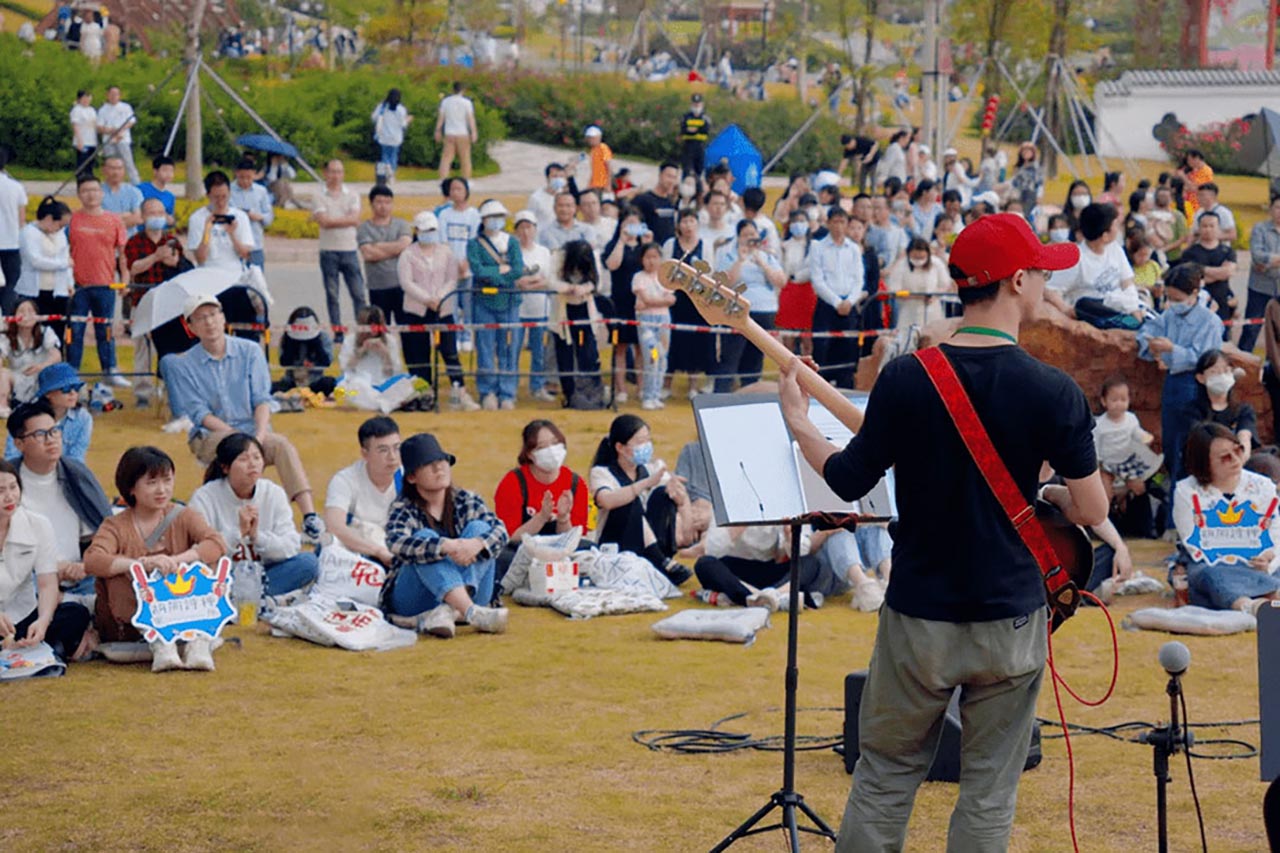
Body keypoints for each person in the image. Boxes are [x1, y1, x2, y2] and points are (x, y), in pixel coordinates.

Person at [780, 212, 1107, 851]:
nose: (1046, 283)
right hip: (1010, 617)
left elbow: (849, 479)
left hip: (919, 615)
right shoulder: (1053, 390)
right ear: (1017, 282)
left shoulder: (908, 375)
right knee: (989, 793)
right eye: (1041, 271)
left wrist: (799, 423)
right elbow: (1091, 510)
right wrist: (1049, 492)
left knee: (884, 779)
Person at [163, 294, 325, 542]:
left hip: (253, 430)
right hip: (212, 435)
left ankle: (310, 516)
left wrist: (258, 436)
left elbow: (262, 399)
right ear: (191, 327)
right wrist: (239, 439)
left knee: (280, 445)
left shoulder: (249, 351)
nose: (209, 322)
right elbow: (200, 414)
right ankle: (222, 520)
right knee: (235, 452)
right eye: (201, 318)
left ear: (223, 317)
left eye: (213, 314)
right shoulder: (185, 364)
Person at [84, 446, 226, 670]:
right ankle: (160, 642)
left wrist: (180, 560)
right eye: (152, 483)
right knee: (120, 573)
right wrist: (139, 565)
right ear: (131, 488)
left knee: (209, 561)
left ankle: (198, 639)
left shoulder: (182, 515)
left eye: (167, 481)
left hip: (181, 606)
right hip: (130, 625)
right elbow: (93, 560)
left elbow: (216, 543)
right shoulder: (116, 525)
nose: (162, 490)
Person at [383, 433, 509, 637]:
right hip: (417, 598)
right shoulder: (402, 508)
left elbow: (501, 531)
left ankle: (448, 612)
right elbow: (395, 542)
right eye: (428, 463)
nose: (438, 467)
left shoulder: (466, 499)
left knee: (479, 529)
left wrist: (475, 544)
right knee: (424, 539)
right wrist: (444, 546)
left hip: (476, 591)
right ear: (412, 477)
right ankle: (470, 612)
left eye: (441, 461)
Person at [1136, 263, 1224, 527]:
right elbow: (1147, 331)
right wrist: (1151, 347)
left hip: (1196, 388)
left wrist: (1174, 350)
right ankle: (1174, 520)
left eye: (1177, 299)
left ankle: (1193, 519)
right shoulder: (1170, 316)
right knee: (1174, 453)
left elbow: (1207, 359)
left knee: (1192, 454)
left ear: (1195, 293)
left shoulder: (1210, 322)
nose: (1172, 304)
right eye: (1169, 298)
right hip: (1173, 387)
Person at [189, 433, 319, 600]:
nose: (252, 465)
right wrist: (238, 532)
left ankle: (248, 598)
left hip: (264, 574)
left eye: (257, 458)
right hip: (224, 576)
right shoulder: (204, 497)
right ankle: (250, 598)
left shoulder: (273, 493)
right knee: (199, 577)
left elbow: (291, 545)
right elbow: (198, 553)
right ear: (225, 467)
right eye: (243, 460)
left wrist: (257, 537)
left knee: (308, 562)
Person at [1173, 423, 1280, 616]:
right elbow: (1195, 545)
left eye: (1238, 450)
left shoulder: (1263, 486)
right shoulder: (1186, 491)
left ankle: (1267, 598)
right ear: (1204, 463)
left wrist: (1268, 558)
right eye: (1224, 457)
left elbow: (1275, 531)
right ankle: (1250, 607)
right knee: (1209, 576)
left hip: (1259, 564)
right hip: (1215, 566)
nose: (1235, 460)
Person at [0, 460, 91, 662]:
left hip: (22, 612)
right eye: (0, 491)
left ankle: (35, 645)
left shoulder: (37, 524)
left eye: (13, 487)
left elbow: (47, 583)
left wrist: (43, 621)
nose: (9, 496)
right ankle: (48, 648)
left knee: (75, 614)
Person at [590, 414, 694, 585]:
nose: (645, 446)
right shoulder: (602, 473)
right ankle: (659, 560)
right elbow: (606, 500)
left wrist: (682, 501)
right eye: (639, 442)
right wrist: (644, 484)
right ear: (620, 447)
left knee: (663, 493)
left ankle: (660, 557)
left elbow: (676, 496)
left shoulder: (652, 468)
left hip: (650, 539)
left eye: (648, 440)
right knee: (630, 500)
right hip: (617, 544)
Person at [396, 211, 478, 411]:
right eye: (425, 230)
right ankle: (425, 392)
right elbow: (406, 282)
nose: (429, 234)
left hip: (443, 309)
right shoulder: (407, 254)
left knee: (450, 352)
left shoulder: (446, 252)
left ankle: (459, 392)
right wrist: (426, 298)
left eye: (432, 230)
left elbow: (452, 278)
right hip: (416, 310)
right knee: (419, 354)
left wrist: (440, 297)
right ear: (417, 231)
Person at [492, 419, 589, 580]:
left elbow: (576, 537)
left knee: (589, 550)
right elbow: (510, 536)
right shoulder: (513, 482)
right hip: (523, 548)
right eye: (542, 447)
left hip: (561, 548)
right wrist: (542, 517)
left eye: (555, 443)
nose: (551, 451)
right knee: (502, 558)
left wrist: (564, 518)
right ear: (530, 454)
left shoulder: (575, 483)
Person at [66, 174, 129, 386]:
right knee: (75, 330)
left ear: (101, 193)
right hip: (78, 286)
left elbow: (123, 253)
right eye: (85, 191)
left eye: (94, 190)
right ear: (79, 195)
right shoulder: (72, 220)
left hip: (105, 285)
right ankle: (72, 370)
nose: (91, 194)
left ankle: (110, 369)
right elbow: (62, 250)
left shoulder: (114, 220)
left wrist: (125, 278)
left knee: (106, 330)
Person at [124, 198, 184, 407]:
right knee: (142, 347)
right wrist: (155, 257)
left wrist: (175, 262)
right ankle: (142, 392)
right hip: (142, 300)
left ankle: (170, 388)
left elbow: (183, 268)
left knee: (170, 346)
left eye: (160, 212)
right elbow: (133, 268)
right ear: (142, 216)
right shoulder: (134, 242)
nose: (156, 217)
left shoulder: (172, 241)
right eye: (151, 212)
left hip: (170, 304)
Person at [713, 220, 785, 391]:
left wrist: (762, 263)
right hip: (737, 311)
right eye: (746, 235)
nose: (750, 239)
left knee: (754, 357)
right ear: (738, 238)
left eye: (753, 235)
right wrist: (740, 260)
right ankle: (721, 394)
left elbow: (780, 281)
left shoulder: (766, 256)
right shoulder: (728, 255)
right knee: (730, 356)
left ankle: (751, 392)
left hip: (764, 311)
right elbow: (724, 283)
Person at [1046, 202, 1141, 329]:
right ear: (1105, 236)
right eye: (1115, 226)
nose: (1118, 229)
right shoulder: (1076, 259)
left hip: (1119, 306)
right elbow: (1050, 290)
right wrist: (1068, 311)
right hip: (1095, 313)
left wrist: (1134, 307)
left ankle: (1131, 323)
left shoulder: (1115, 249)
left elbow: (1127, 282)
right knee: (1085, 305)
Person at [467, 200, 524, 410]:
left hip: (509, 302)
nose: (496, 221)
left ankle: (508, 392)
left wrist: (499, 277)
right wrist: (500, 273)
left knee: (509, 347)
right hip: (483, 301)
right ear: (483, 220)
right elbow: (478, 270)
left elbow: (518, 269)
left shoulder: (512, 242)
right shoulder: (474, 244)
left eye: (500, 217)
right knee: (484, 347)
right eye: (492, 217)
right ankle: (487, 391)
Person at [809, 206, 865, 389]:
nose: (839, 226)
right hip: (827, 306)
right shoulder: (818, 247)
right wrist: (836, 302)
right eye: (835, 222)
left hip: (849, 306)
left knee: (848, 351)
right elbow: (817, 280)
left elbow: (859, 280)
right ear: (828, 223)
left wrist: (850, 301)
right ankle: (820, 390)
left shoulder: (854, 249)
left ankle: (846, 391)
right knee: (823, 350)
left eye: (843, 222)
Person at [312, 160, 366, 337]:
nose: (336, 176)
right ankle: (338, 332)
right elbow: (323, 221)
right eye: (332, 172)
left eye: (339, 172)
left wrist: (332, 221)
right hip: (328, 251)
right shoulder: (318, 195)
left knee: (358, 293)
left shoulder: (352, 194)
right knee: (332, 295)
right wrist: (346, 220)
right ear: (325, 173)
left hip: (349, 249)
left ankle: (362, 330)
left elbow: (355, 219)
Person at [663, 208, 715, 391]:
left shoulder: (705, 245)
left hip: (697, 302)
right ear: (678, 225)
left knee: (696, 343)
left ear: (698, 224)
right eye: (684, 221)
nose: (688, 226)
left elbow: (709, 275)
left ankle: (693, 386)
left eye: (692, 221)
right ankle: (666, 385)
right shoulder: (671, 244)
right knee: (672, 343)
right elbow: (664, 272)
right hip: (675, 301)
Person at [548, 240, 605, 406]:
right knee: (565, 355)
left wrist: (586, 287)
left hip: (585, 313)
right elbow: (551, 281)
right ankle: (570, 394)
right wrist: (568, 288)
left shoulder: (592, 256)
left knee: (588, 354)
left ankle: (593, 393)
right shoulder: (559, 256)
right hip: (563, 315)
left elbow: (597, 282)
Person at [1093, 373, 1161, 508]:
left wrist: (1145, 437)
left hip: (1127, 462)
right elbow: (1094, 446)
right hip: (1106, 465)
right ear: (1104, 401)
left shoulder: (1131, 419)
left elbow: (1136, 432)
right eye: (1114, 400)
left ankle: (1140, 516)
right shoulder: (1100, 425)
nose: (1119, 404)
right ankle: (1108, 515)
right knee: (1104, 493)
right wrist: (1098, 465)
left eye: (1123, 399)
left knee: (1139, 487)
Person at [335, 305, 418, 413]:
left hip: (383, 385)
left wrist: (385, 353)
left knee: (413, 382)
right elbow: (345, 369)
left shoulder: (390, 340)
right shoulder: (350, 340)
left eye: (376, 325)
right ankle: (386, 404)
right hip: (359, 384)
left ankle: (383, 403)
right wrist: (361, 351)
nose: (373, 329)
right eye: (370, 325)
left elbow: (395, 372)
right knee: (342, 386)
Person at [511, 210, 556, 403]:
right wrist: (530, 281)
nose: (526, 232)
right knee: (513, 349)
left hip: (540, 308)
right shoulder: (511, 252)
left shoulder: (543, 252)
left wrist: (530, 283)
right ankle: (510, 387)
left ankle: (537, 386)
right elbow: (513, 279)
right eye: (521, 227)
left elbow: (547, 279)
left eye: (529, 227)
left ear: (535, 229)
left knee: (539, 350)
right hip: (517, 309)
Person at [604, 207, 648, 403]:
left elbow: (653, 267)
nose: (632, 227)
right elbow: (612, 265)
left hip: (643, 303)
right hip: (619, 303)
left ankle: (642, 387)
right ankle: (620, 388)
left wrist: (647, 243)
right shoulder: (614, 244)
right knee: (620, 347)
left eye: (635, 223)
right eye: (628, 222)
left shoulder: (646, 247)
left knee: (643, 348)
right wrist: (622, 240)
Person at [17, 197, 72, 343]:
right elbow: (35, 260)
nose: (60, 230)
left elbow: (66, 257)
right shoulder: (28, 233)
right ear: (49, 219)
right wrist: (63, 264)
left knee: (58, 330)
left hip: (58, 292)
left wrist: (69, 282)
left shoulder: (60, 235)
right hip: (35, 291)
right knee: (37, 329)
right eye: (59, 225)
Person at [435, 177, 480, 349]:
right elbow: (443, 241)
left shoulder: (474, 215)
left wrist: (466, 262)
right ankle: (453, 336)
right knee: (451, 305)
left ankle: (466, 335)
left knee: (468, 304)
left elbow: (474, 240)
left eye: (459, 189)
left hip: (468, 268)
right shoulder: (445, 214)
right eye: (453, 189)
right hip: (449, 267)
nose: (456, 192)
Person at [358, 184, 413, 321]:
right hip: (377, 287)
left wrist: (378, 246)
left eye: (387, 202)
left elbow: (406, 245)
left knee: (406, 328)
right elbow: (368, 254)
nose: (383, 206)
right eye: (379, 202)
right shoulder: (364, 228)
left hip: (402, 285)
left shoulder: (401, 224)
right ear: (371, 204)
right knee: (381, 330)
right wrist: (395, 250)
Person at [1178, 211, 1237, 335]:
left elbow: (1228, 272)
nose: (1208, 229)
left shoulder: (1227, 251)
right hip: (1197, 304)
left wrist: (1201, 270)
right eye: (1204, 226)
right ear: (1199, 228)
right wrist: (1219, 272)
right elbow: (1192, 278)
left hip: (1222, 302)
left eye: (1212, 226)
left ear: (1219, 228)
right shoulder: (1189, 253)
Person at [632, 242, 676, 409]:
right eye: (648, 257)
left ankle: (656, 394)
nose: (651, 261)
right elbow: (646, 299)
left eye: (655, 257)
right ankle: (648, 395)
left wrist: (652, 303)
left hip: (663, 321)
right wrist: (659, 301)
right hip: (647, 322)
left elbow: (671, 299)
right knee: (652, 356)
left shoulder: (664, 277)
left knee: (662, 358)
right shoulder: (638, 277)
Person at [186, 170, 254, 273]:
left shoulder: (241, 217)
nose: (221, 202)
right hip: (207, 273)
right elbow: (200, 258)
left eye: (224, 196)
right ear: (208, 195)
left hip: (234, 275)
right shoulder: (197, 218)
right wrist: (207, 232)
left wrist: (232, 235)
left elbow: (245, 254)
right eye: (216, 197)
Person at [0, 300, 61, 412]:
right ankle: (3, 406)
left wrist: (41, 366)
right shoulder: (7, 336)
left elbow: (57, 356)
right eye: (21, 311)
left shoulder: (46, 332)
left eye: (30, 311)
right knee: (3, 373)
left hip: (41, 379)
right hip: (18, 378)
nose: (26, 315)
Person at [1194, 349, 1256, 455]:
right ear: (1201, 378)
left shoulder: (1243, 410)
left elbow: (1244, 437)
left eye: (1226, 371)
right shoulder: (1191, 411)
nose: (1221, 376)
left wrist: (1240, 457)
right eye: (1214, 372)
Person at [1239, 196, 1280, 354]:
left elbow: (1263, 261)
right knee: (1251, 329)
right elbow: (1257, 256)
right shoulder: (1260, 228)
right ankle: (1241, 364)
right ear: (1270, 209)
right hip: (1260, 288)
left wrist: (1268, 262)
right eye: (1277, 207)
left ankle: (1273, 370)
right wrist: (1269, 261)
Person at [889, 238, 952, 331]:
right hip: (909, 311)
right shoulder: (901, 266)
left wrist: (934, 295)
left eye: (921, 258)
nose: (918, 260)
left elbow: (946, 285)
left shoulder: (936, 263)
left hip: (932, 311)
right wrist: (914, 296)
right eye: (915, 257)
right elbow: (895, 291)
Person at [272, 306, 335, 397]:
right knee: (273, 387)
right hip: (292, 382)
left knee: (330, 383)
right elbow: (284, 362)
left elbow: (326, 362)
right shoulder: (286, 339)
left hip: (315, 382)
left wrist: (317, 345)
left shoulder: (323, 338)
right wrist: (290, 345)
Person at [229, 160, 274, 269]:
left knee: (257, 281)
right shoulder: (229, 190)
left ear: (254, 174)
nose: (245, 181)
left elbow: (269, 215)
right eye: (241, 177)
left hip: (255, 243)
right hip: (234, 244)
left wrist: (259, 217)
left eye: (248, 177)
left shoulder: (261, 191)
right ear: (236, 173)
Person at [95, 85, 139, 184]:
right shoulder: (103, 110)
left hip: (123, 139)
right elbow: (99, 127)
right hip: (109, 141)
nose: (114, 96)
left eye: (116, 94)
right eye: (111, 94)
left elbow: (131, 121)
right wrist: (112, 131)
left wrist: (120, 130)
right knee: (110, 164)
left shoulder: (126, 107)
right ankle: (112, 183)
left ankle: (136, 184)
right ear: (107, 95)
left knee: (128, 163)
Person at [435, 81, 478, 180]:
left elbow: (441, 118)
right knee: (465, 159)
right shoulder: (467, 103)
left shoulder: (445, 101)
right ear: (463, 90)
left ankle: (443, 180)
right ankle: (466, 180)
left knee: (446, 159)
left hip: (449, 133)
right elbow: (470, 119)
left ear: (453, 89)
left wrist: (437, 130)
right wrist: (474, 132)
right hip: (462, 133)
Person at [632, 162, 681, 247]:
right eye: (669, 176)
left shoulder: (671, 202)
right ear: (660, 175)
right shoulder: (642, 199)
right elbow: (630, 226)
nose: (671, 181)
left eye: (674, 178)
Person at [372, 88, 413, 180]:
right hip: (396, 138)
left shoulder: (382, 107)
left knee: (384, 156)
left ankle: (384, 173)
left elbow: (374, 118)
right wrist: (408, 119)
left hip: (383, 137)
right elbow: (403, 124)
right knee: (393, 156)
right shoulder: (401, 109)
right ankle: (391, 173)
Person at [99, 155, 142, 232]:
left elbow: (138, 218)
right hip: (105, 239)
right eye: (112, 168)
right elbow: (97, 220)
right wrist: (124, 215)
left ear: (124, 170)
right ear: (104, 170)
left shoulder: (134, 191)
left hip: (129, 239)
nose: (116, 172)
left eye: (119, 168)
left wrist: (110, 222)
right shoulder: (96, 191)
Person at [527, 163, 572, 233]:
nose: (558, 179)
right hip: (542, 236)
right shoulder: (536, 198)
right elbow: (529, 220)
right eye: (555, 176)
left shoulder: (565, 196)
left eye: (561, 176)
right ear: (548, 178)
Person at [678, 93, 711, 187]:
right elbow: (684, 129)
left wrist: (693, 130)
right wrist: (695, 130)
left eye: (698, 104)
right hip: (688, 146)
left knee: (698, 170)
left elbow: (705, 130)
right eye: (694, 104)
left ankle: (696, 190)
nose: (696, 106)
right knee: (687, 170)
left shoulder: (706, 118)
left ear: (702, 105)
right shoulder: (686, 117)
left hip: (700, 147)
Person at [1179, 149, 1214, 225]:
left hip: (1198, 205)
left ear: (1197, 158)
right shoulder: (1193, 171)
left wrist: (1183, 177)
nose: (1188, 163)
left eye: (1189, 160)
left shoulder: (1206, 171)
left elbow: (1197, 188)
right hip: (1189, 204)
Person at [138, 155, 176, 224]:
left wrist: (171, 221)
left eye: (171, 171)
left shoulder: (170, 197)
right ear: (155, 171)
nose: (169, 174)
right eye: (165, 170)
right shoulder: (141, 189)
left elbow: (171, 218)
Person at [69, 90, 98, 174]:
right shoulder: (77, 110)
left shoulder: (92, 110)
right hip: (82, 142)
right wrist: (79, 141)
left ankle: (89, 183)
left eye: (88, 97)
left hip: (92, 141)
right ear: (79, 99)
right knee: (82, 164)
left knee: (90, 164)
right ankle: (81, 183)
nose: (86, 100)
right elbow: (75, 125)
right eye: (84, 98)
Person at [584, 125, 613, 192]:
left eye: (593, 138)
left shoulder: (603, 148)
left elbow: (609, 167)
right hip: (594, 184)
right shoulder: (593, 150)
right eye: (589, 138)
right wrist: (589, 184)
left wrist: (608, 184)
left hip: (602, 185)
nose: (590, 140)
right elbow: (594, 169)